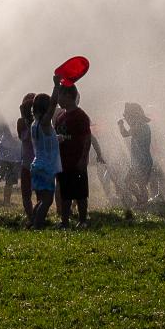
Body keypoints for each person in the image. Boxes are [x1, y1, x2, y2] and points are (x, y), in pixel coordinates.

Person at [53, 83, 105, 227]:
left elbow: (87, 138)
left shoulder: (80, 116)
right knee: (65, 193)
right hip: (63, 161)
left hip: (76, 161)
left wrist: (83, 159)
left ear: (69, 96)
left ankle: (82, 221)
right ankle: (64, 221)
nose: (57, 99)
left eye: (60, 95)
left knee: (80, 193)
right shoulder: (60, 116)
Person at [117, 102, 164, 207]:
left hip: (141, 161)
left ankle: (142, 203)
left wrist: (120, 125)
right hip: (141, 161)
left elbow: (124, 134)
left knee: (133, 182)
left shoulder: (139, 125)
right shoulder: (142, 125)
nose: (127, 119)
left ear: (134, 114)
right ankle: (142, 202)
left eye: (127, 116)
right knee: (135, 183)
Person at [27, 94, 60, 229]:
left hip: (37, 165)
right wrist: (56, 86)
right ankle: (38, 226)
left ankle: (32, 222)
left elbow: (45, 141)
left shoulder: (35, 124)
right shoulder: (45, 123)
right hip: (46, 168)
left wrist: (58, 138)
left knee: (41, 200)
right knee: (47, 201)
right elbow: (53, 105)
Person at [15, 93, 38, 222]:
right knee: (28, 193)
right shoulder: (22, 122)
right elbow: (22, 136)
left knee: (34, 193)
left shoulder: (38, 123)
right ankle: (32, 217)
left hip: (31, 163)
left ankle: (34, 216)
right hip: (29, 163)